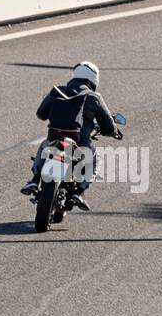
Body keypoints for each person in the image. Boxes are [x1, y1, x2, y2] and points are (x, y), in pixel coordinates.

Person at [21, 61, 121, 211]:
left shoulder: (57, 91)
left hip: (54, 138)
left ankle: (34, 181)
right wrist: (114, 132)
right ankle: (79, 192)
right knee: (94, 157)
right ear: (93, 79)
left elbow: (41, 114)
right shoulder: (94, 97)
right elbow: (108, 126)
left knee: (44, 145)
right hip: (79, 143)